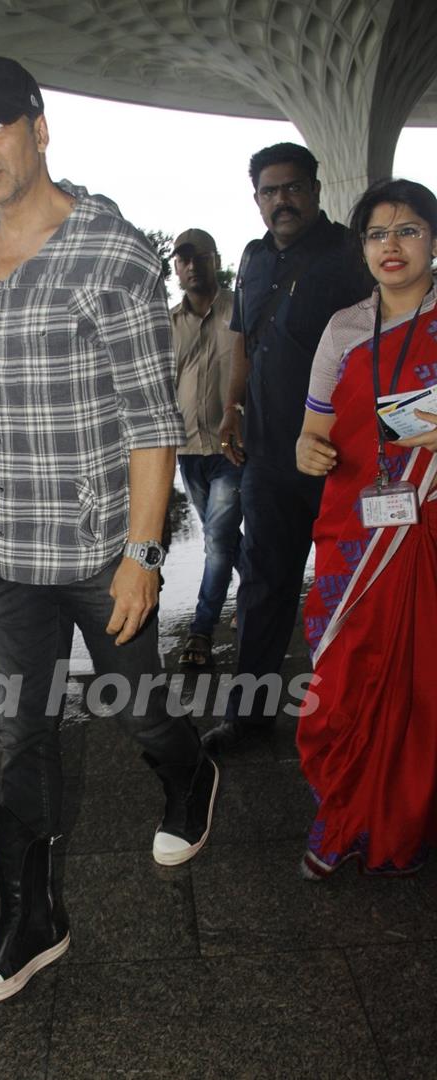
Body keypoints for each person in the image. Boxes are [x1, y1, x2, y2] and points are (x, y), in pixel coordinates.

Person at [0, 54, 219, 1005]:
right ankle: (34, 919)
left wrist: (142, 558)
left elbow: (151, 422)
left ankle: (189, 773)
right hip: (12, 558)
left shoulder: (116, 254)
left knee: (141, 708)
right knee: (25, 735)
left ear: (40, 127)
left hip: (102, 551)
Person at [203, 143, 371, 753]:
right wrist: (230, 410)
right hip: (270, 458)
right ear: (257, 199)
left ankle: (356, 713)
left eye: (292, 188)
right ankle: (249, 718)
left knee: (347, 588)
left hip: (339, 459)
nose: (282, 200)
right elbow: (243, 344)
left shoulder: (350, 257)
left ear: (315, 189)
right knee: (263, 585)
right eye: (270, 192)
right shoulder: (250, 259)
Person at [295, 178, 437, 878]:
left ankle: (409, 816)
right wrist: (311, 448)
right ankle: (343, 811)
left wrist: (395, 426)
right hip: (356, 533)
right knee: (346, 675)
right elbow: (311, 433)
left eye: (408, 230)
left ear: (433, 242)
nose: (392, 245)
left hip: (431, 529)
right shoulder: (344, 329)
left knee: (423, 681)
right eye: (377, 233)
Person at [170, 229, 242, 669]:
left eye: (200, 257)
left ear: (216, 260)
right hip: (187, 450)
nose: (193, 265)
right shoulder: (168, 323)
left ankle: (201, 629)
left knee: (216, 540)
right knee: (225, 538)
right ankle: (258, 593)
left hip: (233, 446)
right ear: (176, 268)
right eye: (184, 259)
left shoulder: (242, 310)